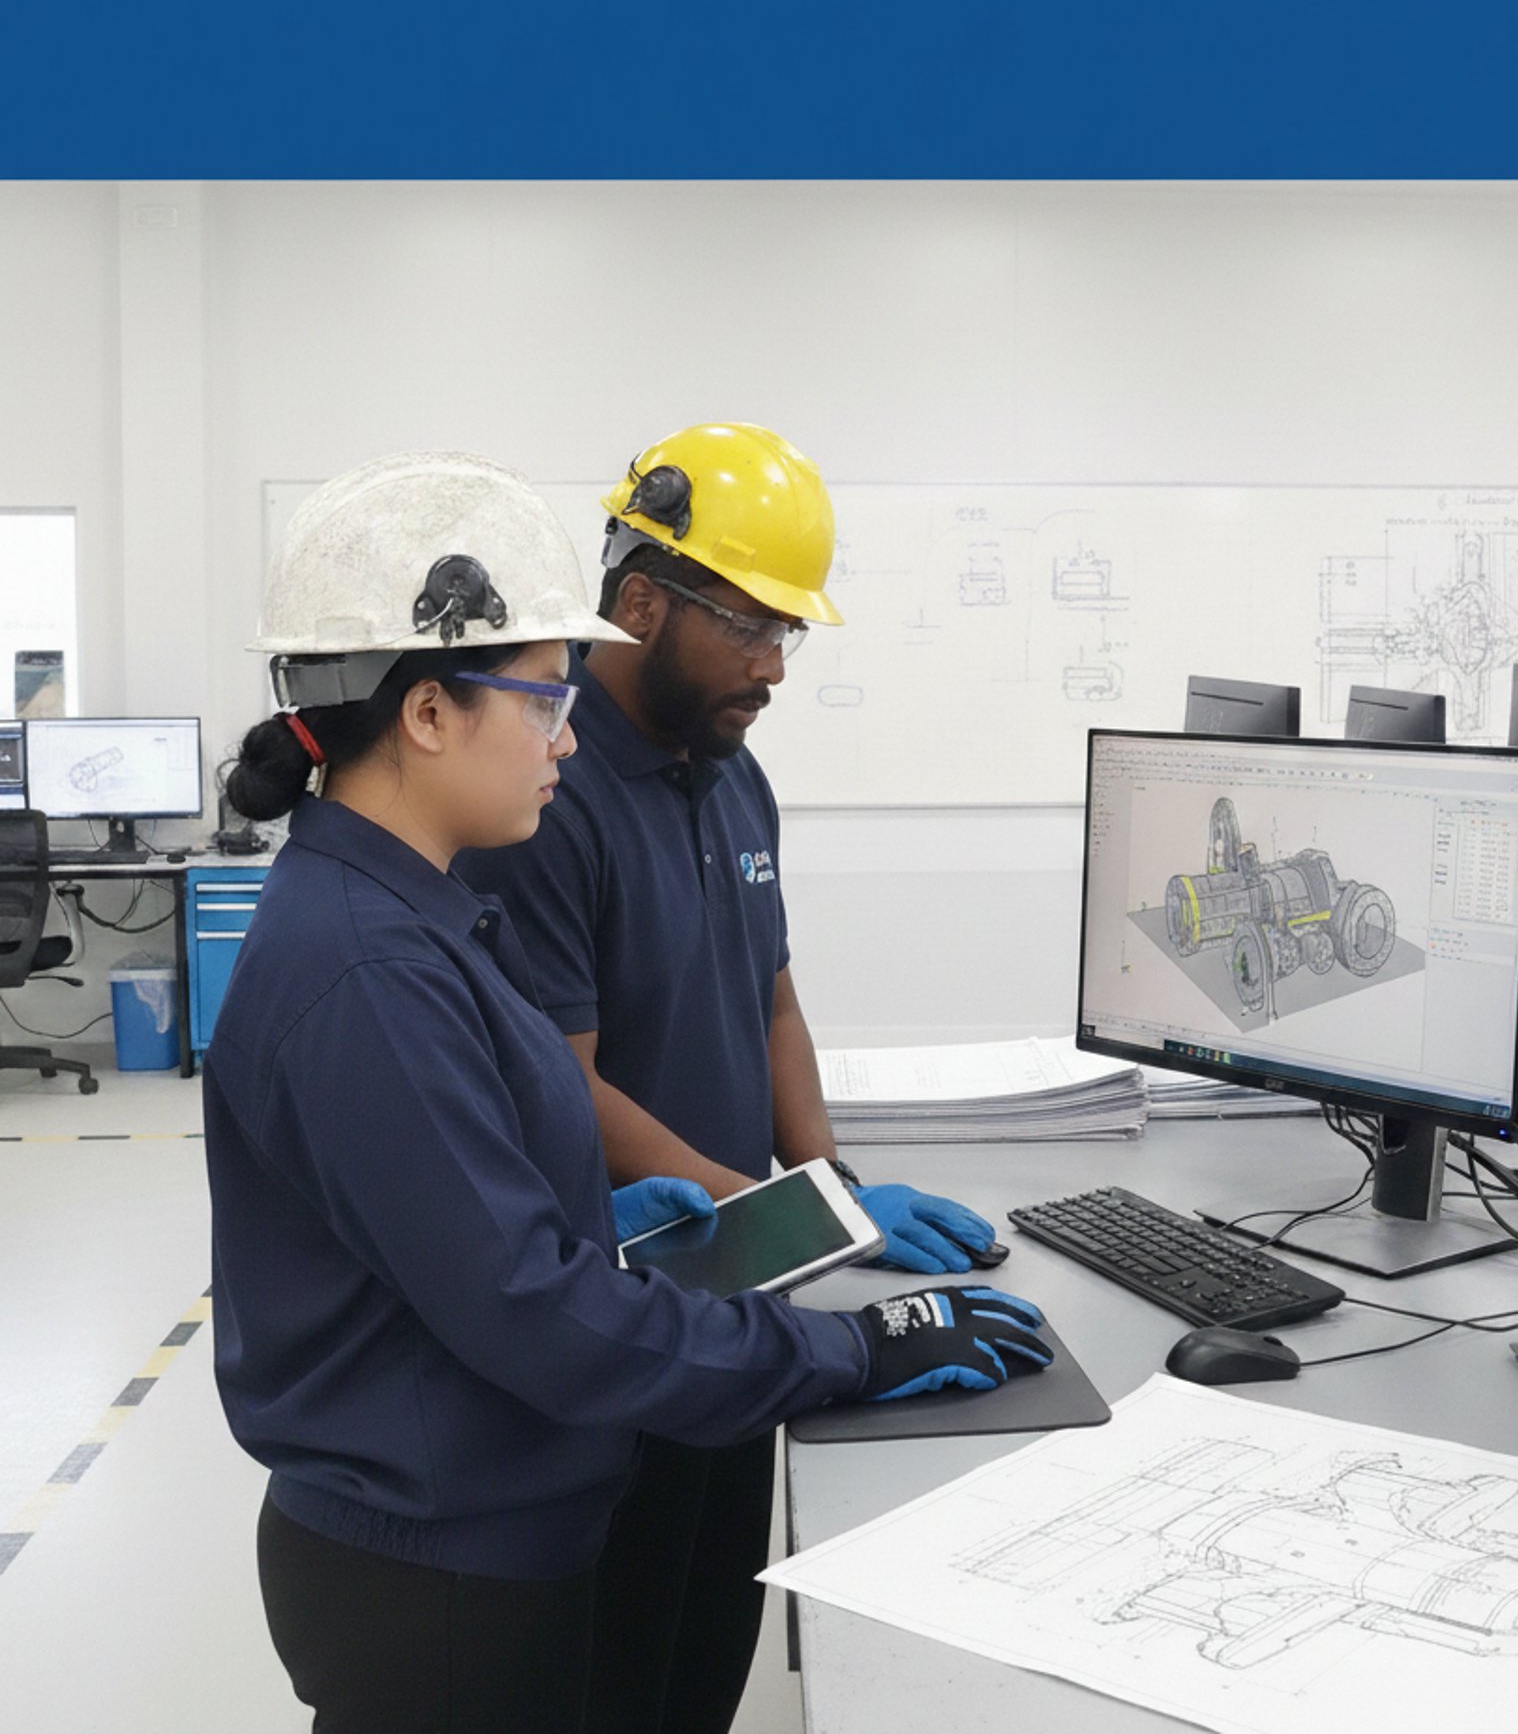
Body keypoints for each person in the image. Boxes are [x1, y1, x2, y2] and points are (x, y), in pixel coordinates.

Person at [204, 451, 1051, 1734]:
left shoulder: (406, 915)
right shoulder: (367, 970)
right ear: (427, 712)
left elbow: (457, 1229)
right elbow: (534, 1315)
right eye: (543, 701)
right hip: (436, 1580)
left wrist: (604, 1223)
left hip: (477, 1529)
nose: (565, 735)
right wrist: (852, 1347)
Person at [454, 422, 1005, 1734]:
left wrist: (824, 1184)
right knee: (618, 1665)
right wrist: (796, 1218)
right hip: (623, 1311)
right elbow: (559, 1088)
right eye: (750, 627)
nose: (772, 667)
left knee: (709, 1643)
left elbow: (772, 999)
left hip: (737, 1292)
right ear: (640, 603)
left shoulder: (733, 775)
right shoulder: (550, 793)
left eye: (787, 636)